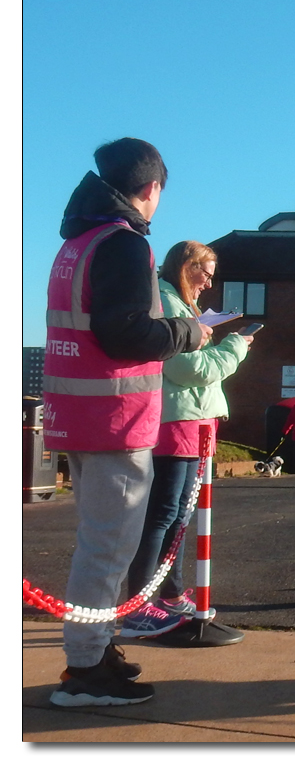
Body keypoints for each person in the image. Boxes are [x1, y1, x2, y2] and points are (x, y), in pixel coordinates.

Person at [43, 139, 211, 707]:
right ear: (151, 189)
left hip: (80, 416)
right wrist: (190, 332)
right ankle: (86, 671)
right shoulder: (124, 244)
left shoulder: (78, 243)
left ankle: (95, 650)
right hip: (116, 420)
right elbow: (128, 334)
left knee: (99, 544)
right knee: (107, 549)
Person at [120, 241, 254, 637]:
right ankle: (139, 605)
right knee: (163, 514)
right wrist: (235, 346)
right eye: (204, 273)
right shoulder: (166, 304)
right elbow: (188, 368)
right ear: (185, 267)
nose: (208, 284)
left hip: (192, 419)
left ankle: (169, 594)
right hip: (177, 419)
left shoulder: (176, 304)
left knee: (176, 515)